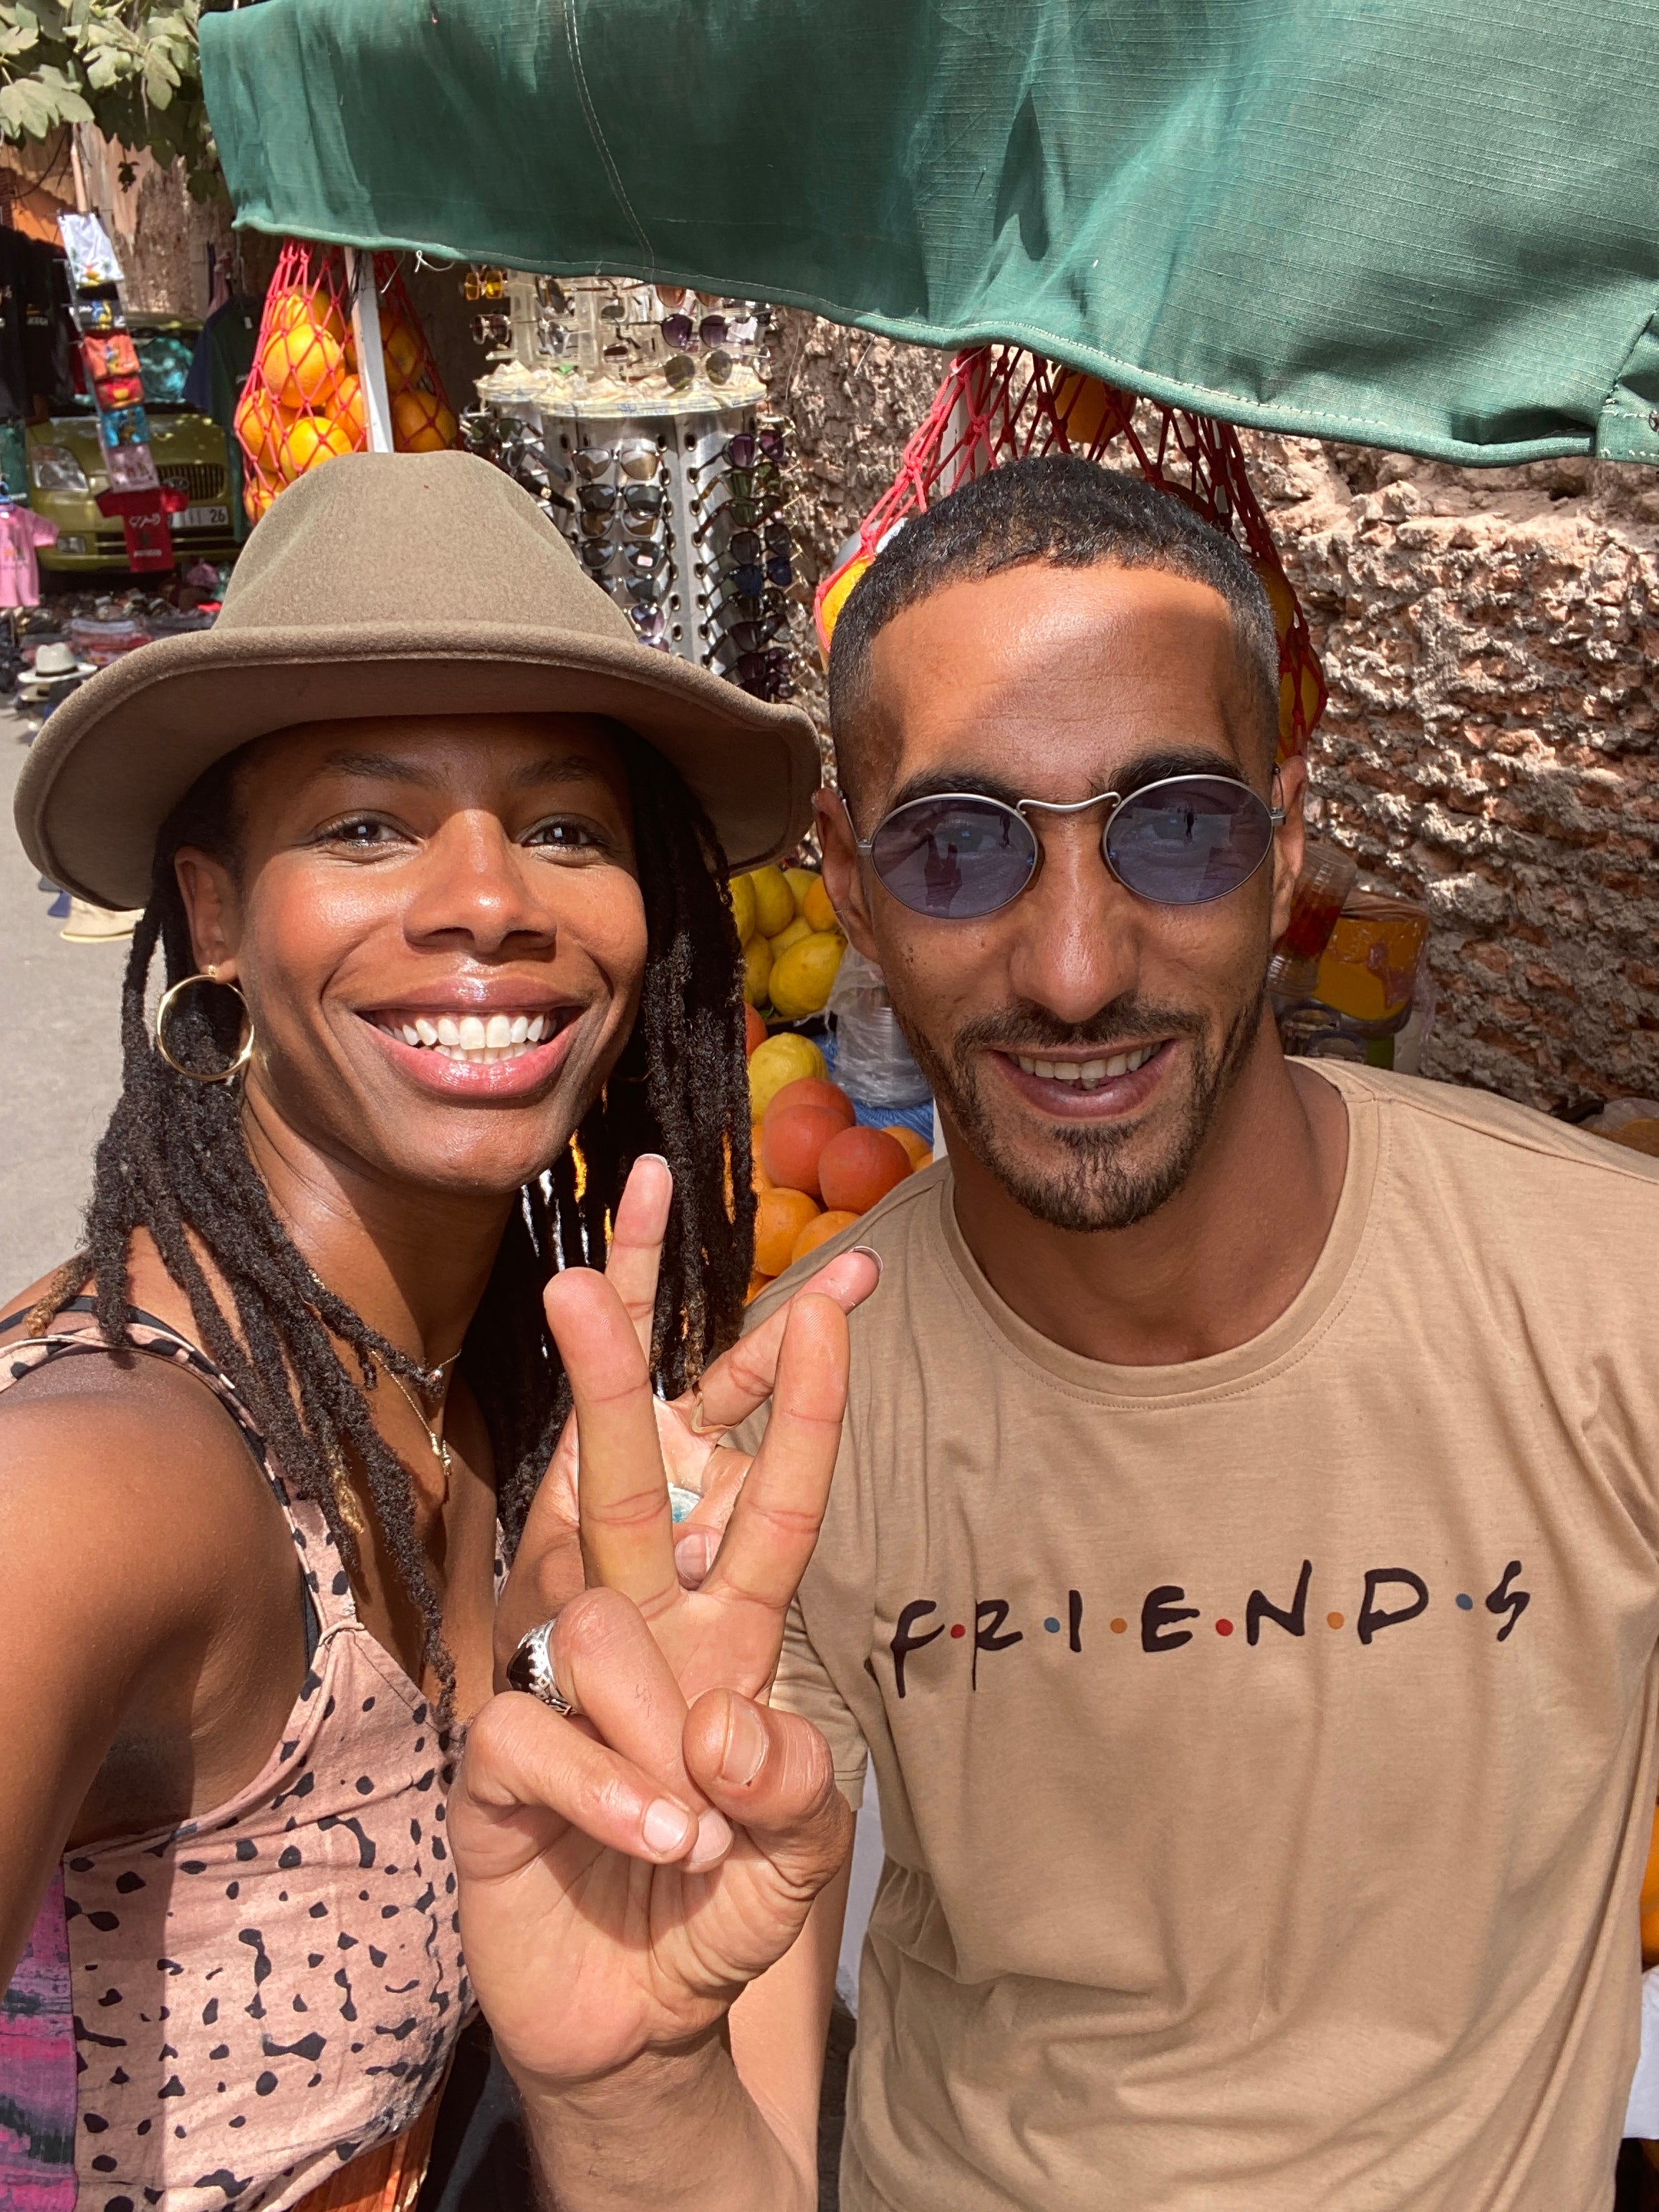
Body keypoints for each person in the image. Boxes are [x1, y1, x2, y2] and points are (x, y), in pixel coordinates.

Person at [453, 454, 1659, 2212]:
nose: (1078, 966)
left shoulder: (1607, 1294)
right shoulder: (789, 1445)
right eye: (960, 848)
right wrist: (627, 2076)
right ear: (852, 889)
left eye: (1174, 822)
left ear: (1287, 834)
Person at [0, 449, 874, 2212]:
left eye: (565, 825)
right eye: (366, 824)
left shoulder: (496, 1415)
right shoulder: (103, 1476)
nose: (490, 896)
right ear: (216, 916)